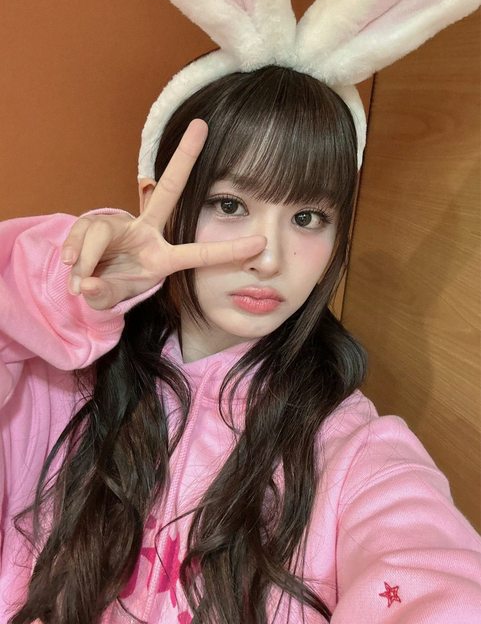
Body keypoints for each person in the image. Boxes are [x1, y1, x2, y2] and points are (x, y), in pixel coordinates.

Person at [1, 63, 481, 624]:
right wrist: (59, 287)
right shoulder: (54, 385)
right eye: (231, 205)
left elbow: (436, 581)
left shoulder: (351, 449)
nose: (269, 259)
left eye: (308, 217)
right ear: (160, 205)